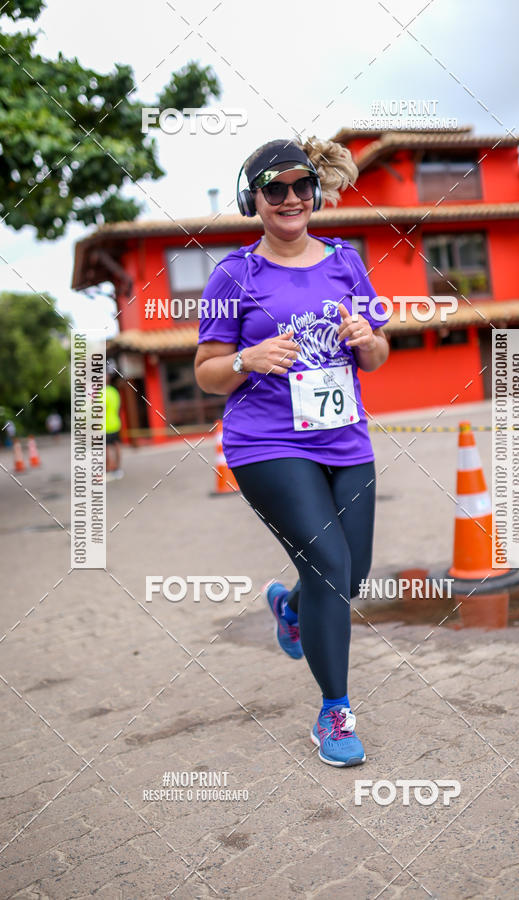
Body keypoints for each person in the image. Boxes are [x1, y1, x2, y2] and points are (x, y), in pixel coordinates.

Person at [194, 137, 390, 766]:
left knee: (349, 574)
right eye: (273, 189)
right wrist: (245, 359)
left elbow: (379, 355)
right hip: (267, 442)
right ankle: (335, 712)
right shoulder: (233, 275)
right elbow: (205, 371)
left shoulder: (346, 262)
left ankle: (290, 606)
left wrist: (366, 338)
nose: (290, 199)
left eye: (300, 186)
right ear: (253, 199)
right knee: (330, 565)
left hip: (345, 437)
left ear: (315, 191)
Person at [102, 371, 123, 480]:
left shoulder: (102, 393)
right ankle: (118, 468)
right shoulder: (114, 391)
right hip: (116, 422)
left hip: (105, 425)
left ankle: (108, 469)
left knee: (105, 448)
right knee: (116, 446)